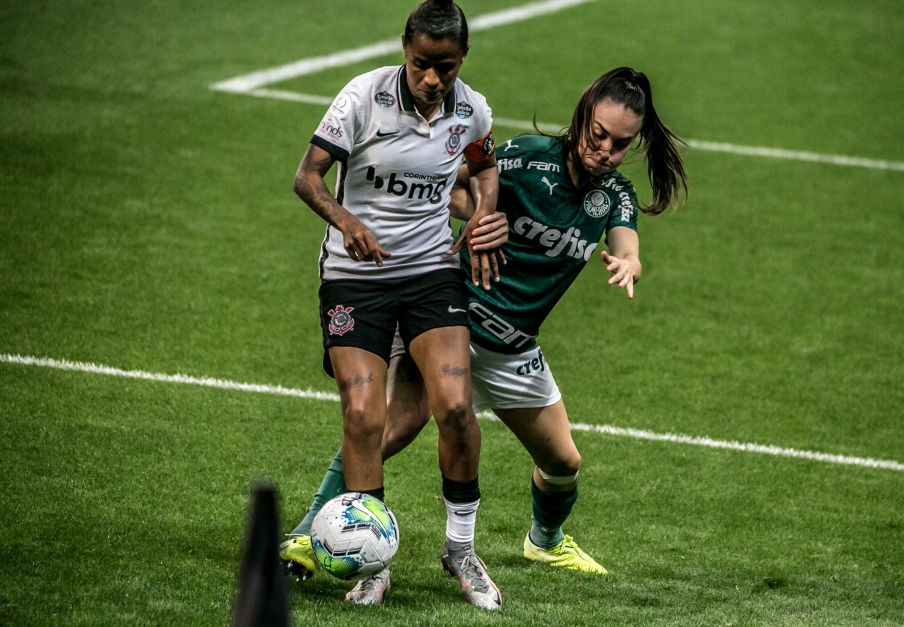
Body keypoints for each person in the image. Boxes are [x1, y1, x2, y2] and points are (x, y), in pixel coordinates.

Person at [284, 66, 688, 597]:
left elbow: (626, 240)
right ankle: (307, 536)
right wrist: (479, 212)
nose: (605, 151)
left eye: (620, 144)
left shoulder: (615, 193)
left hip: (512, 347)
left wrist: (630, 263)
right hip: (453, 317)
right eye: (598, 135)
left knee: (564, 463)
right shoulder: (525, 156)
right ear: (583, 115)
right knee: (392, 426)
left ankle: (544, 540)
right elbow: (452, 186)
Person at [290, 0, 503, 611]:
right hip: (355, 274)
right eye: (420, 64)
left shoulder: (473, 109)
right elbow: (307, 177)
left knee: (457, 406)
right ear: (404, 50)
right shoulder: (362, 96)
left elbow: (485, 170)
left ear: (462, 58)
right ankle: (373, 563)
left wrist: (486, 211)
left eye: (446, 66)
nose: (432, 79)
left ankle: (460, 550)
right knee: (362, 415)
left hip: (432, 272)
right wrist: (344, 219)